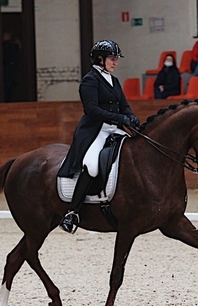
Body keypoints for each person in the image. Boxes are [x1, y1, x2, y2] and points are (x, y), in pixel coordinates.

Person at [57, 40, 140, 234]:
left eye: (116, 59)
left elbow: (124, 104)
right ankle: (72, 213)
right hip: (96, 131)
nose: (115, 63)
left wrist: (131, 117)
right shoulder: (90, 80)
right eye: (112, 59)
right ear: (100, 59)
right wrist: (120, 117)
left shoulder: (114, 80)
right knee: (92, 165)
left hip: (115, 129)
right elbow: (92, 110)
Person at [2, 31, 21, 102]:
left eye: (6, 34)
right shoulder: (12, 46)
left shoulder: (11, 46)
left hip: (9, 75)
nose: (4, 36)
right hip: (9, 75)